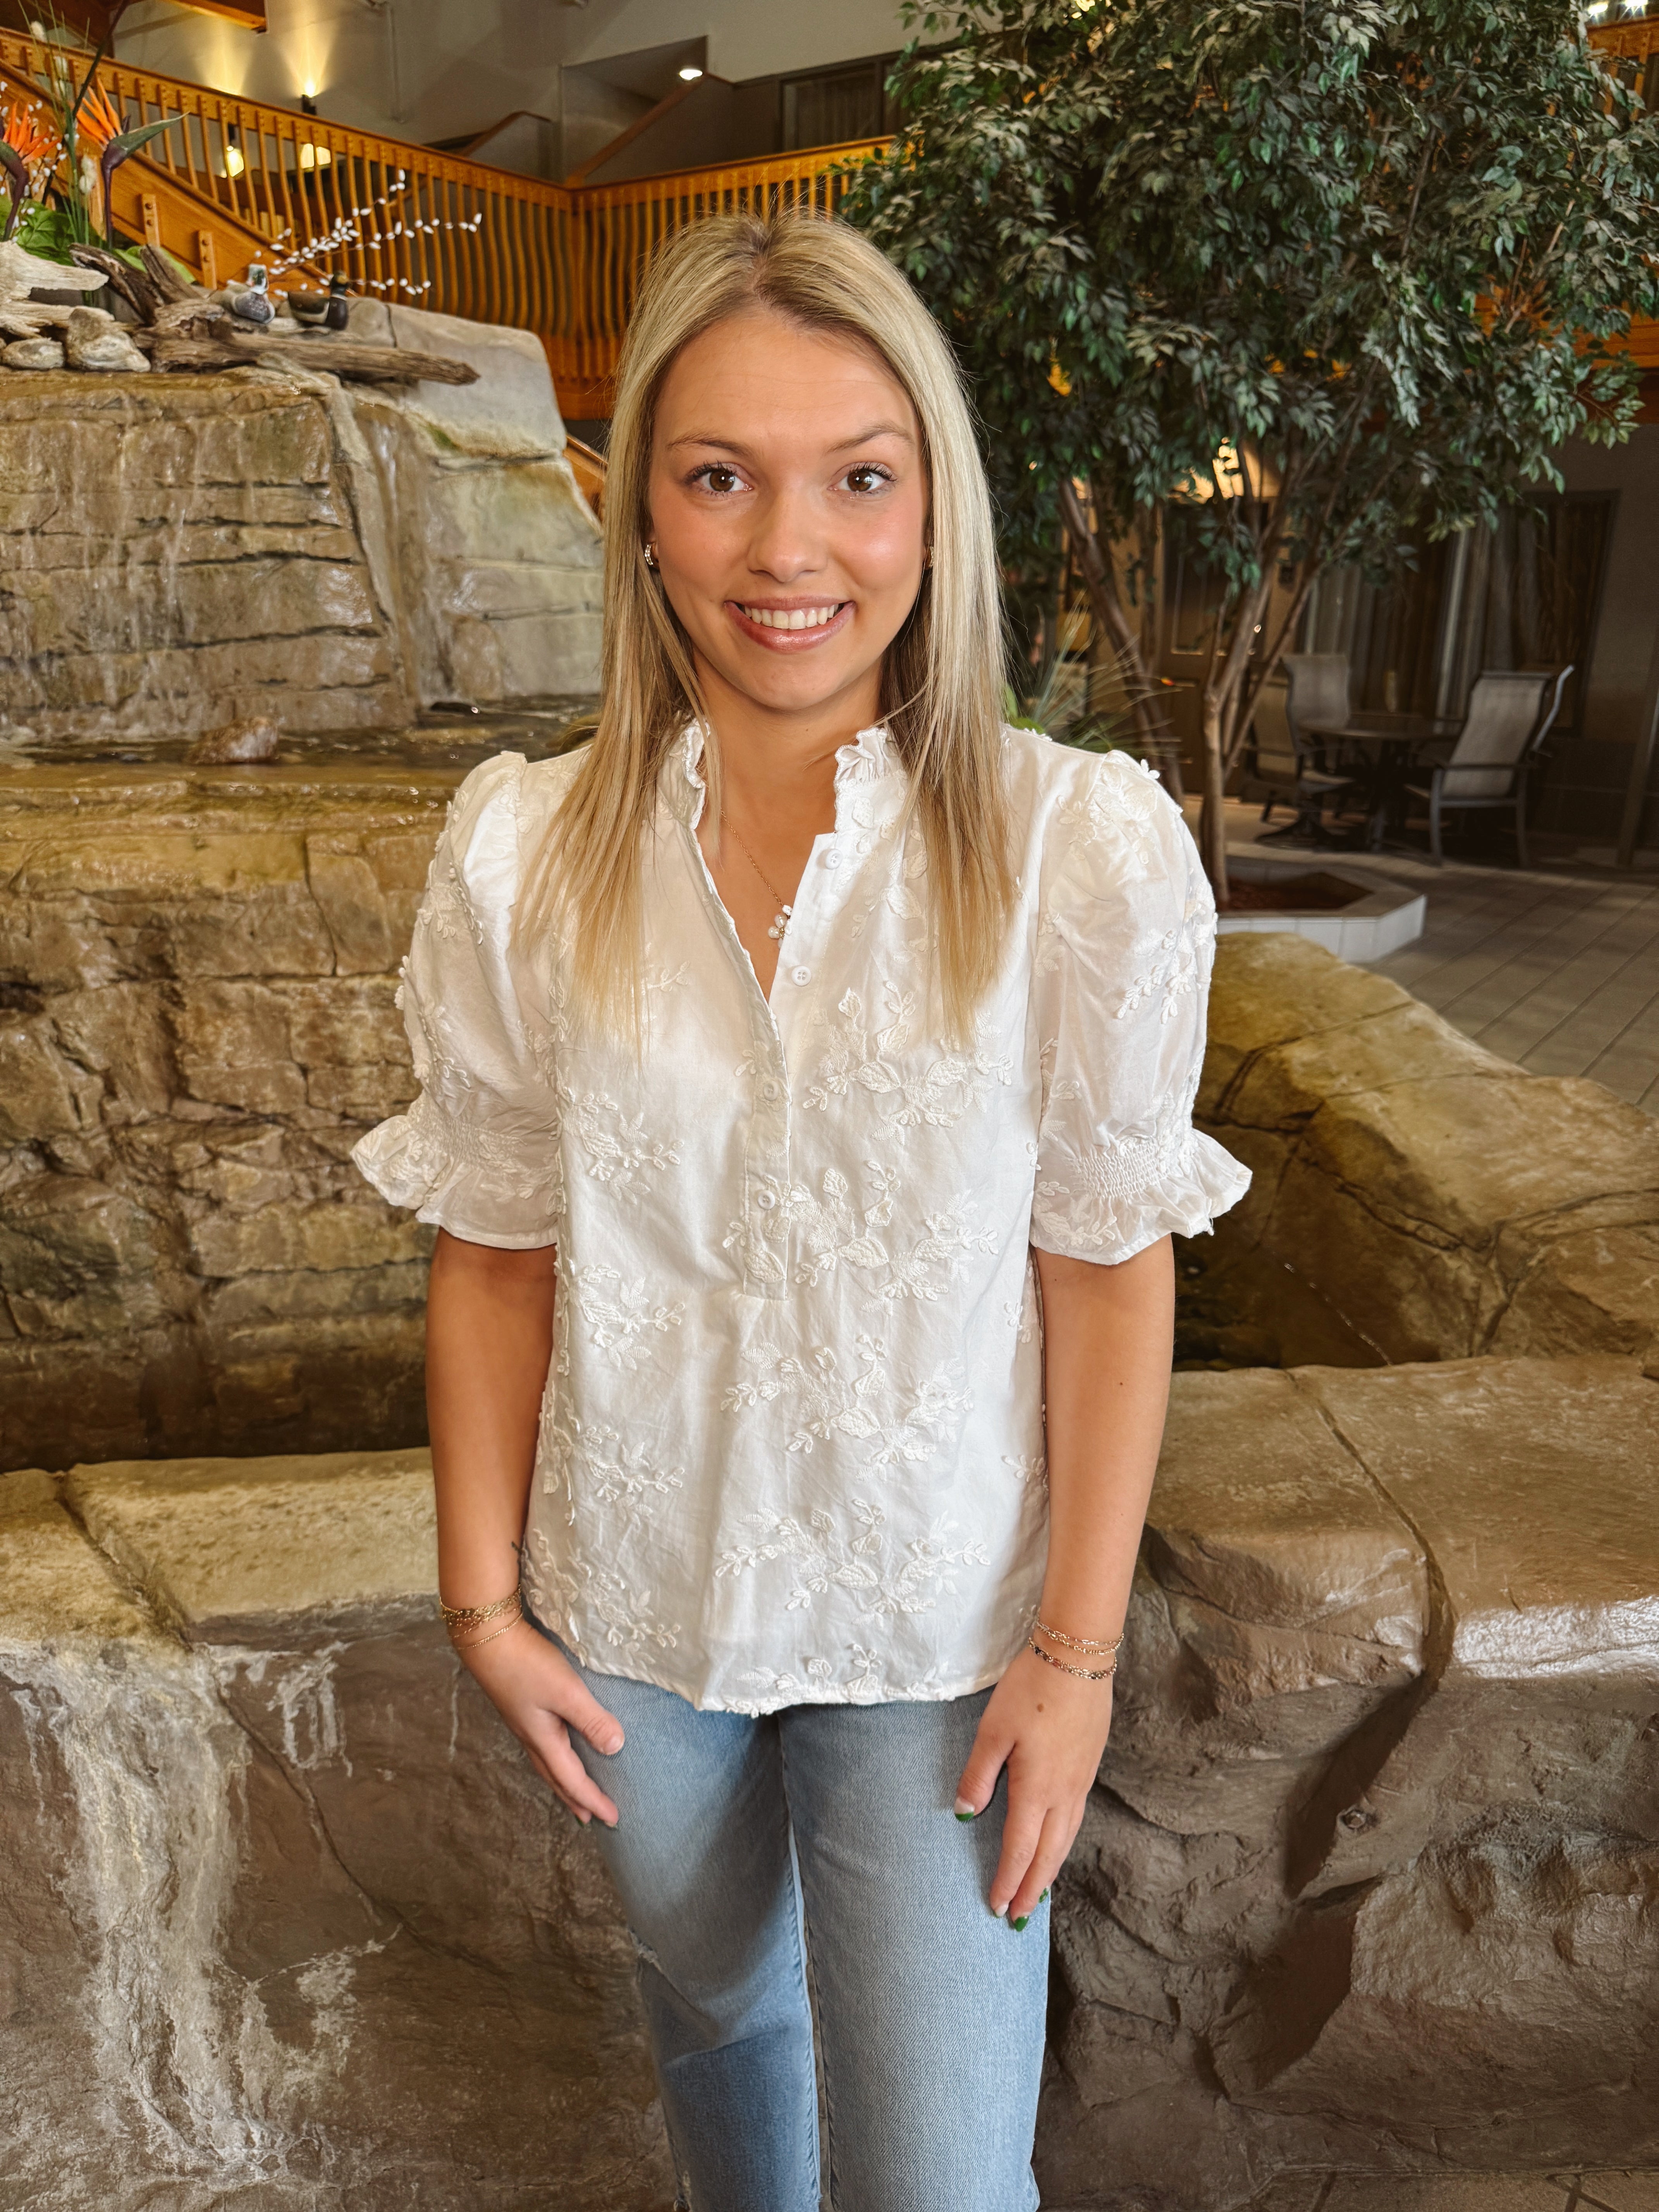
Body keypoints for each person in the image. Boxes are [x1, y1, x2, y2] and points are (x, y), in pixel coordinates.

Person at [354, 211, 1248, 2212]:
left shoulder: (1065, 856)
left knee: (936, 2178)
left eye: (859, 477)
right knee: (729, 2070)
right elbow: (495, 1248)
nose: (790, 553)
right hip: (638, 1612)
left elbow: (1108, 1266)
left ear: (934, 502)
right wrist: (484, 1602)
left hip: (940, 1621)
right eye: (719, 477)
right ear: (642, 512)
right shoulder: (523, 853)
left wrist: (1077, 1662)